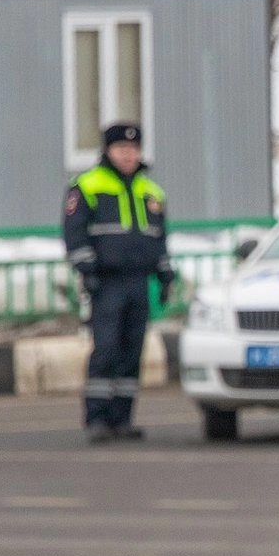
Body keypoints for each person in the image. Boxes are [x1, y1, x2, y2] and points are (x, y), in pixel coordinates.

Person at [63, 122, 174, 444]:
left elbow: (160, 240)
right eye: (122, 149)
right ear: (108, 151)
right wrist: (87, 269)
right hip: (107, 282)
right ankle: (97, 418)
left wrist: (165, 275)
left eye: (133, 149)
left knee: (131, 352)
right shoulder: (87, 185)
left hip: (139, 281)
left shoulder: (151, 192)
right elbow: (75, 233)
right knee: (106, 350)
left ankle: (123, 419)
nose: (128, 155)